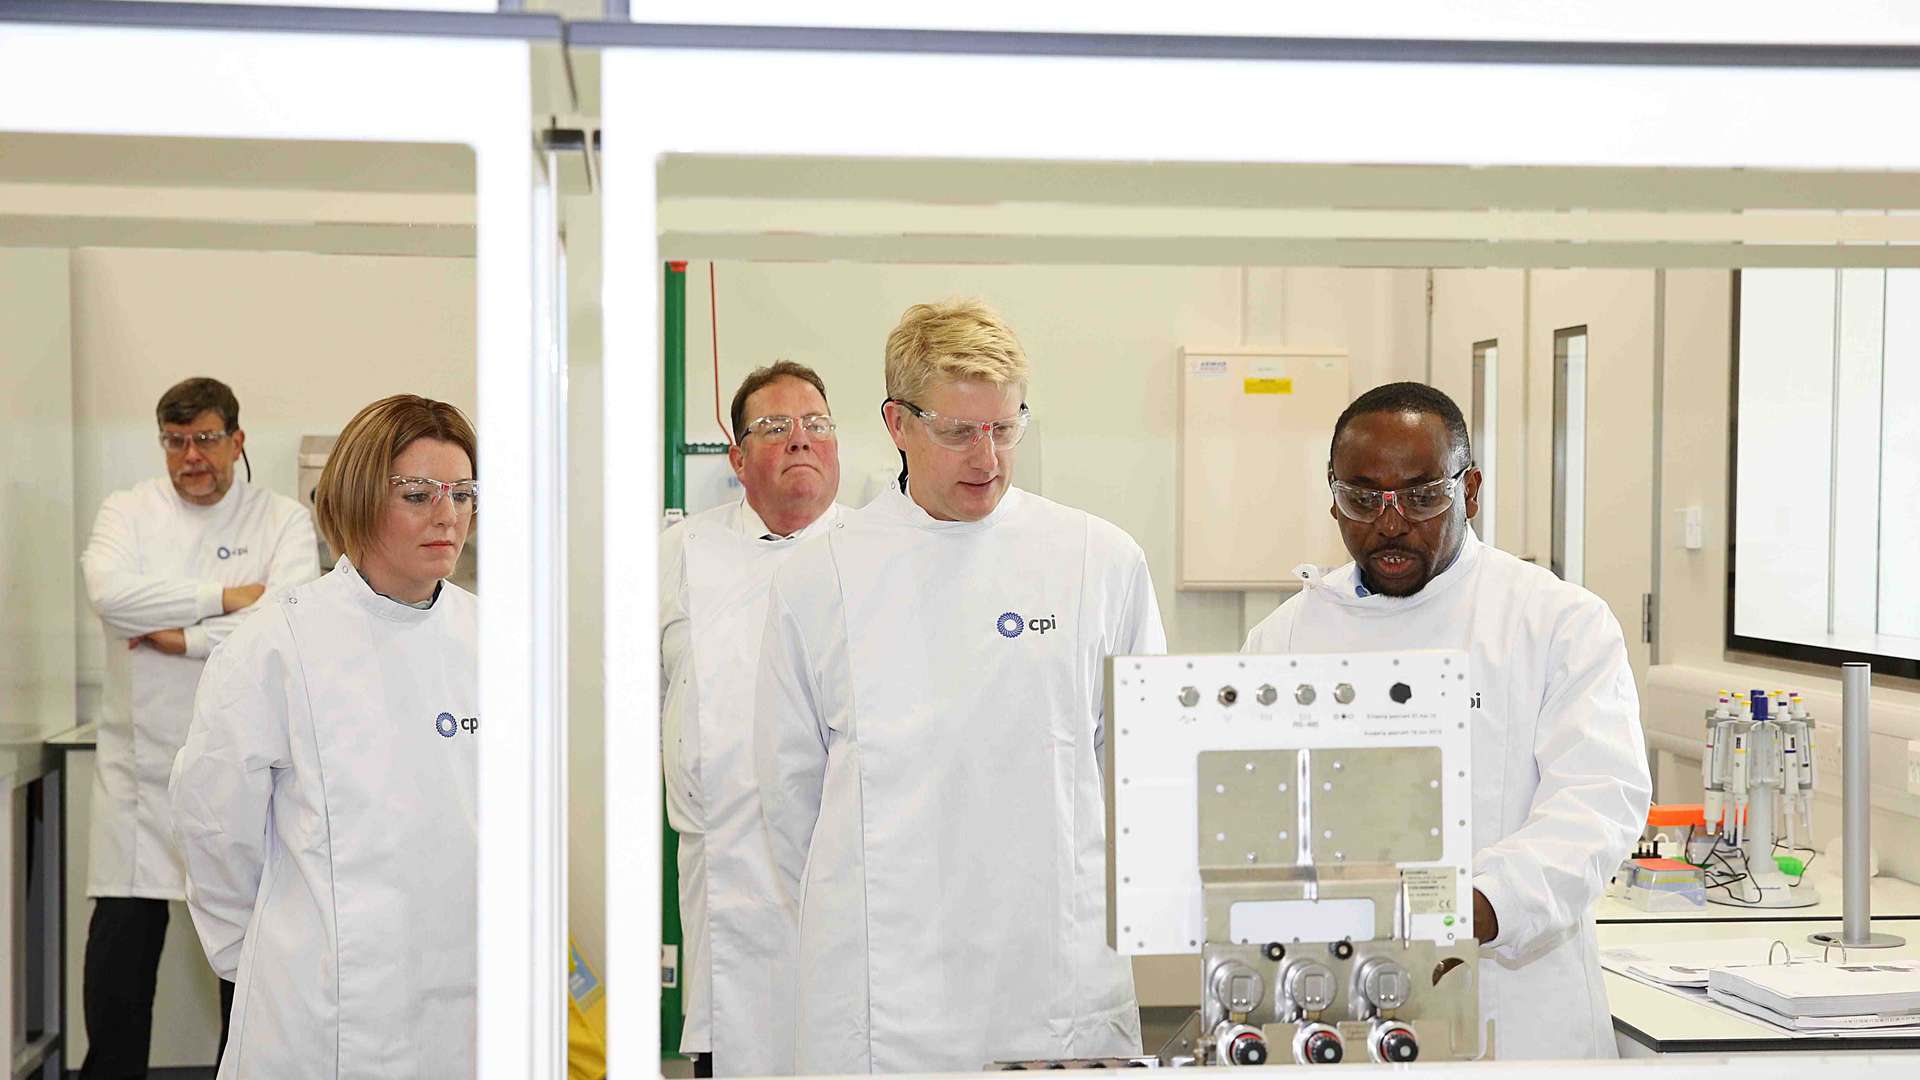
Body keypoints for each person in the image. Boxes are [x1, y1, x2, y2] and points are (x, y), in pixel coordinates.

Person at [755, 300, 1166, 1073]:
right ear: (897, 424)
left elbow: (1141, 770)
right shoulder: (822, 575)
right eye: (958, 432)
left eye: (1005, 428)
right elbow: (788, 798)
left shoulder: (1097, 561)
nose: (987, 458)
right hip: (884, 994)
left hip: (1054, 977)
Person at [1241, 381, 1651, 1060]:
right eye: (1363, 499)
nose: (1391, 523)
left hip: (1515, 1014)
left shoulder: (1555, 622)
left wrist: (1471, 906)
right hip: (1336, 999)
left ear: (1471, 490)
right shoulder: (1286, 637)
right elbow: (1250, 818)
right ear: (1333, 496)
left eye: (1422, 496)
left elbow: (1597, 806)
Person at [169, 394, 480, 1078]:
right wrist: (271, 954)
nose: (447, 515)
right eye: (419, 494)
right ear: (359, 497)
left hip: (463, 1003)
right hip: (320, 1014)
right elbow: (215, 828)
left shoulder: (493, 639)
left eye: (462, 493)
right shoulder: (276, 642)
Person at [79, 376, 319, 1078]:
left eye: (206, 439)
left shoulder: (281, 521)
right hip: (139, 777)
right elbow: (110, 596)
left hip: (245, 775)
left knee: (245, 960)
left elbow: (285, 620)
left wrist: (181, 638)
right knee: (119, 960)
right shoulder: (128, 511)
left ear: (237, 441)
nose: (190, 456)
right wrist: (226, 596)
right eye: (175, 441)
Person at [661, 360, 844, 1077]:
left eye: (816, 424)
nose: (800, 439)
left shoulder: (882, 550)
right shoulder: (679, 555)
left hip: (852, 881)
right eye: (774, 427)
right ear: (737, 460)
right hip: (728, 893)